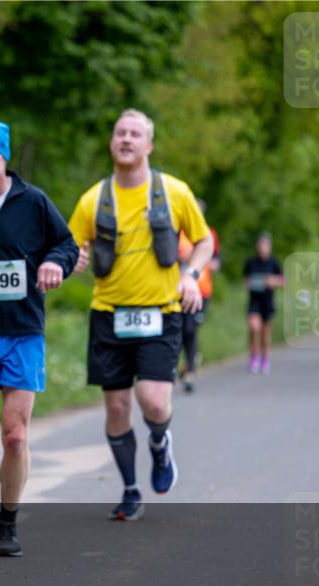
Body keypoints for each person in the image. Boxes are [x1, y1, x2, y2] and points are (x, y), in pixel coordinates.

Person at [70, 109, 212, 522]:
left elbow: (202, 241)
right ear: (112, 143)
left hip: (161, 313)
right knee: (116, 409)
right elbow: (70, 247)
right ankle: (131, 489)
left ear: (148, 145)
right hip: (108, 315)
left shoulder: (173, 192)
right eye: (120, 133)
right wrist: (72, 259)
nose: (126, 139)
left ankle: (159, 441)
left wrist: (191, 275)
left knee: (151, 400)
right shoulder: (93, 199)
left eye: (135, 134)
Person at [0, 117, 78, 555]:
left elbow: (66, 244)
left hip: (23, 332)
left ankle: (6, 521)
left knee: (16, 436)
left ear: (5, 158)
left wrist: (55, 264)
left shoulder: (33, 201)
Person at [177, 200, 220, 393]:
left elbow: (217, 261)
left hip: (202, 290)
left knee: (190, 330)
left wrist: (203, 261)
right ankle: (184, 367)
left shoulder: (209, 235)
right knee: (180, 330)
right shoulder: (180, 234)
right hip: (179, 289)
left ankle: (190, 370)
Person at [243, 233, 284, 374]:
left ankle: (264, 358)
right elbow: (245, 280)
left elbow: (282, 280)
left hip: (267, 301)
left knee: (265, 333)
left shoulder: (274, 262)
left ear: (269, 247)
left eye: (265, 245)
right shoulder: (251, 262)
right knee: (254, 328)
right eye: (260, 245)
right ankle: (254, 356)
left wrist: (273, 281)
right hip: (254, 301)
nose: (262, 248)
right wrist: (249, 283)